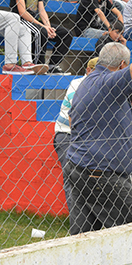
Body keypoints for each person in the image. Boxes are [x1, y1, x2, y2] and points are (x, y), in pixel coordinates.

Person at [65, 16, 132, 234]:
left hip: (83, 169)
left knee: (85, 236)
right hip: (102, 176)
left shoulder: (88, 82)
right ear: (121, 66)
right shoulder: (110, 83)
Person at [10, 0, 73, 74]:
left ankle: (53, 65)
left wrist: (48, 26)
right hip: (21, 20)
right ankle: (38, 64)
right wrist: (43, 27)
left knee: (66, 34)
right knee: (41, 31)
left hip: (35, 21)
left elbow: (41, 9)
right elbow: (22, 12)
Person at [53, 58, 99, 211]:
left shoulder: (99, 87)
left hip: (86, 137)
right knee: (71, 176)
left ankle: (86, 218)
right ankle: (76, 219)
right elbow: (75, 117)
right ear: (89, 70)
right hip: (67, 134)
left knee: (87, 178)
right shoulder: (78, 84)